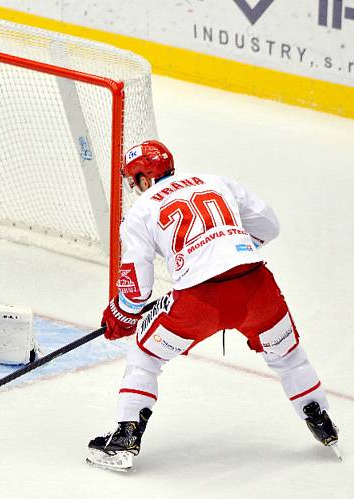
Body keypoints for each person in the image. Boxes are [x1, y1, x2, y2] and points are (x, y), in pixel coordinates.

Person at [86, 140, 339, 471]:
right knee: (289, 356)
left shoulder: (141, 209)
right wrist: (228, 249)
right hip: (255, 285)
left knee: (145, 355)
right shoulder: (217, 181)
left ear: (144, 178)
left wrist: (122, 315)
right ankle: (321, 420)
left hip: (199, 301)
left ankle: (126, 435)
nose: (136, 188)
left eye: (135, 181)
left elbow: (137, 285)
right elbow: (268, 225)